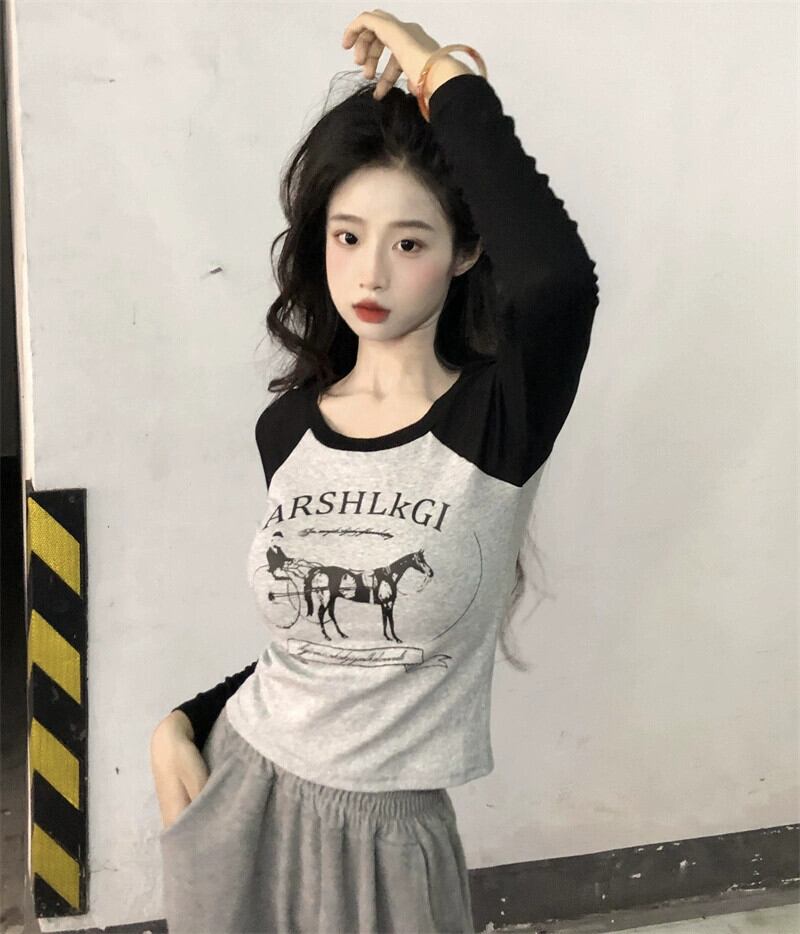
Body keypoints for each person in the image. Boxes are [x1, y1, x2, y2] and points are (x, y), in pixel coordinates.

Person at [149, 10, 600, 933]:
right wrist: (182, 724)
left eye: (410, 242)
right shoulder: (288, 428)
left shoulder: (494, 425)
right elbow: (315, 651)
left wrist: (437, 73)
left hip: (388, 842)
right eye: (348, 236)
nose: (371, 274)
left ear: (465, 252)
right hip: (239, 791)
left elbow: (557, 282)